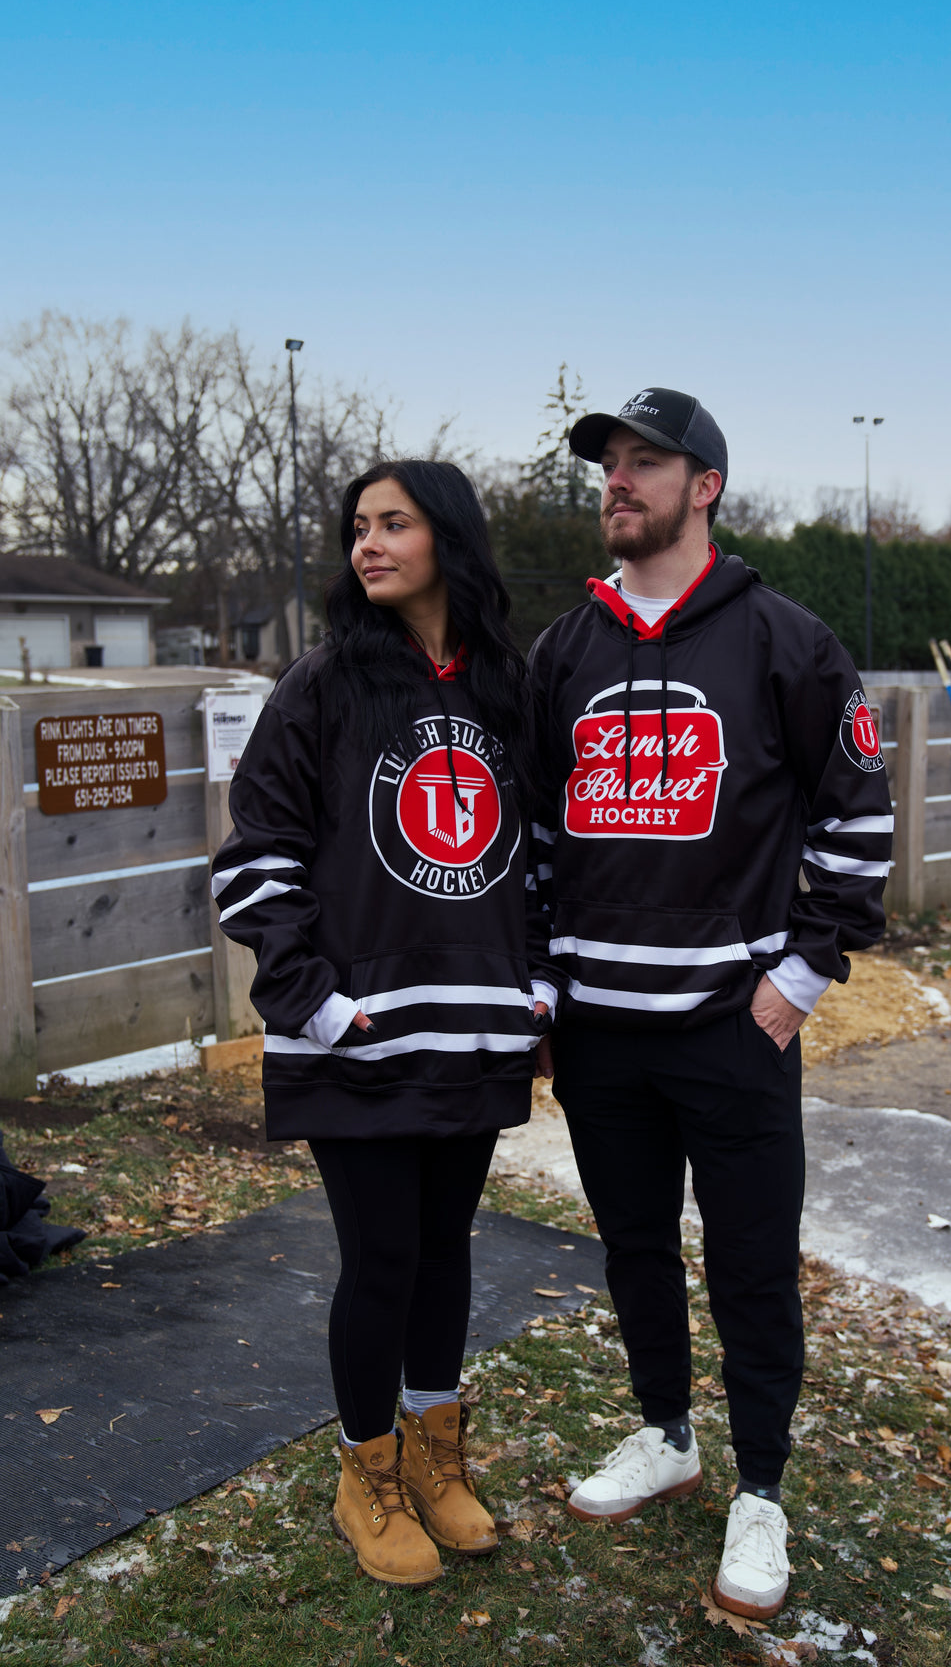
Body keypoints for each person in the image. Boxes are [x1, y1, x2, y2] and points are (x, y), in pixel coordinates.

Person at [528, 388, 893, 1618]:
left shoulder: (785, 639)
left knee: (748, 1267)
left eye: (645, 464)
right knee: (632, 1248)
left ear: (706, 488)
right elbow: (530, 833)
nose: (617, 483)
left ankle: (762, 1493)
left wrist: (795, 983)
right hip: (597, 1028)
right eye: (608, 466)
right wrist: (543, 983)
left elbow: (857, 820)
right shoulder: (561, 652)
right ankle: (666, 1437)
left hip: (732, 1031)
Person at [212, 460, 548, 1588]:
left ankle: (437, 1457)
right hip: (359, 1035)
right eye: (358, 527)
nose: (368, 544)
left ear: (446, 537)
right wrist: (316, 1003)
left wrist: (533, 984)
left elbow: (540, 858)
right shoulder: (320, 686)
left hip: (475, 1026)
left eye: (393, 524)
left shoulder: (509, 686)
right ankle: (366, 1477)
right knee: (383, 1256)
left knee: (448, 1252)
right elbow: (254, 859)